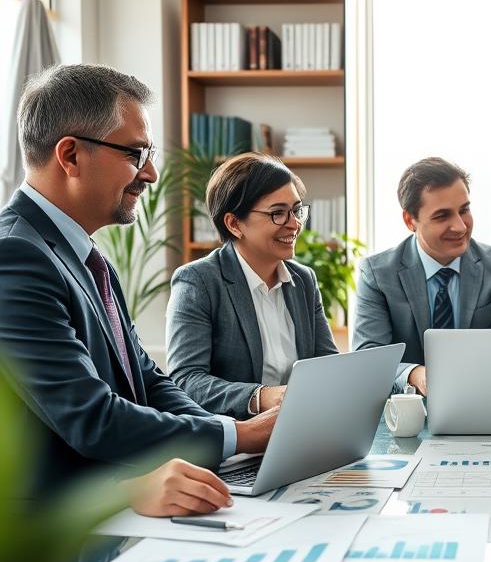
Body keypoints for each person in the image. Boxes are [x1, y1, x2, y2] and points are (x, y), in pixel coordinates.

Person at [0, 64, 276, 516]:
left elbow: (147, 381)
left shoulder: (89, 258)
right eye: (134, 154)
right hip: (50, 538)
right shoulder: (15, 254)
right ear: (69, 156)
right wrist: (241, 434)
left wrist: (228, 433)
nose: (149, 174)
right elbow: (91, 417)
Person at [166, 153, 338, 419]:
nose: (294, 224)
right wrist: (262, 396)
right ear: (234, 224)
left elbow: (328, 366)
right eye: (277, 213)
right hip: (235, 445)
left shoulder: (303, 280)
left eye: (296, 210)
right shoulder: (198, 281)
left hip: (303, 431)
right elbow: (186, 381)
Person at [352, 157, 491, 395]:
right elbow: (367, 359)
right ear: (410, 220)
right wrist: (414, 374)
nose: (461, 226)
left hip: (482, 399)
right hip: (405, 412)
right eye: (442, 216)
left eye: (464, 210)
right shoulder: (378, 273)